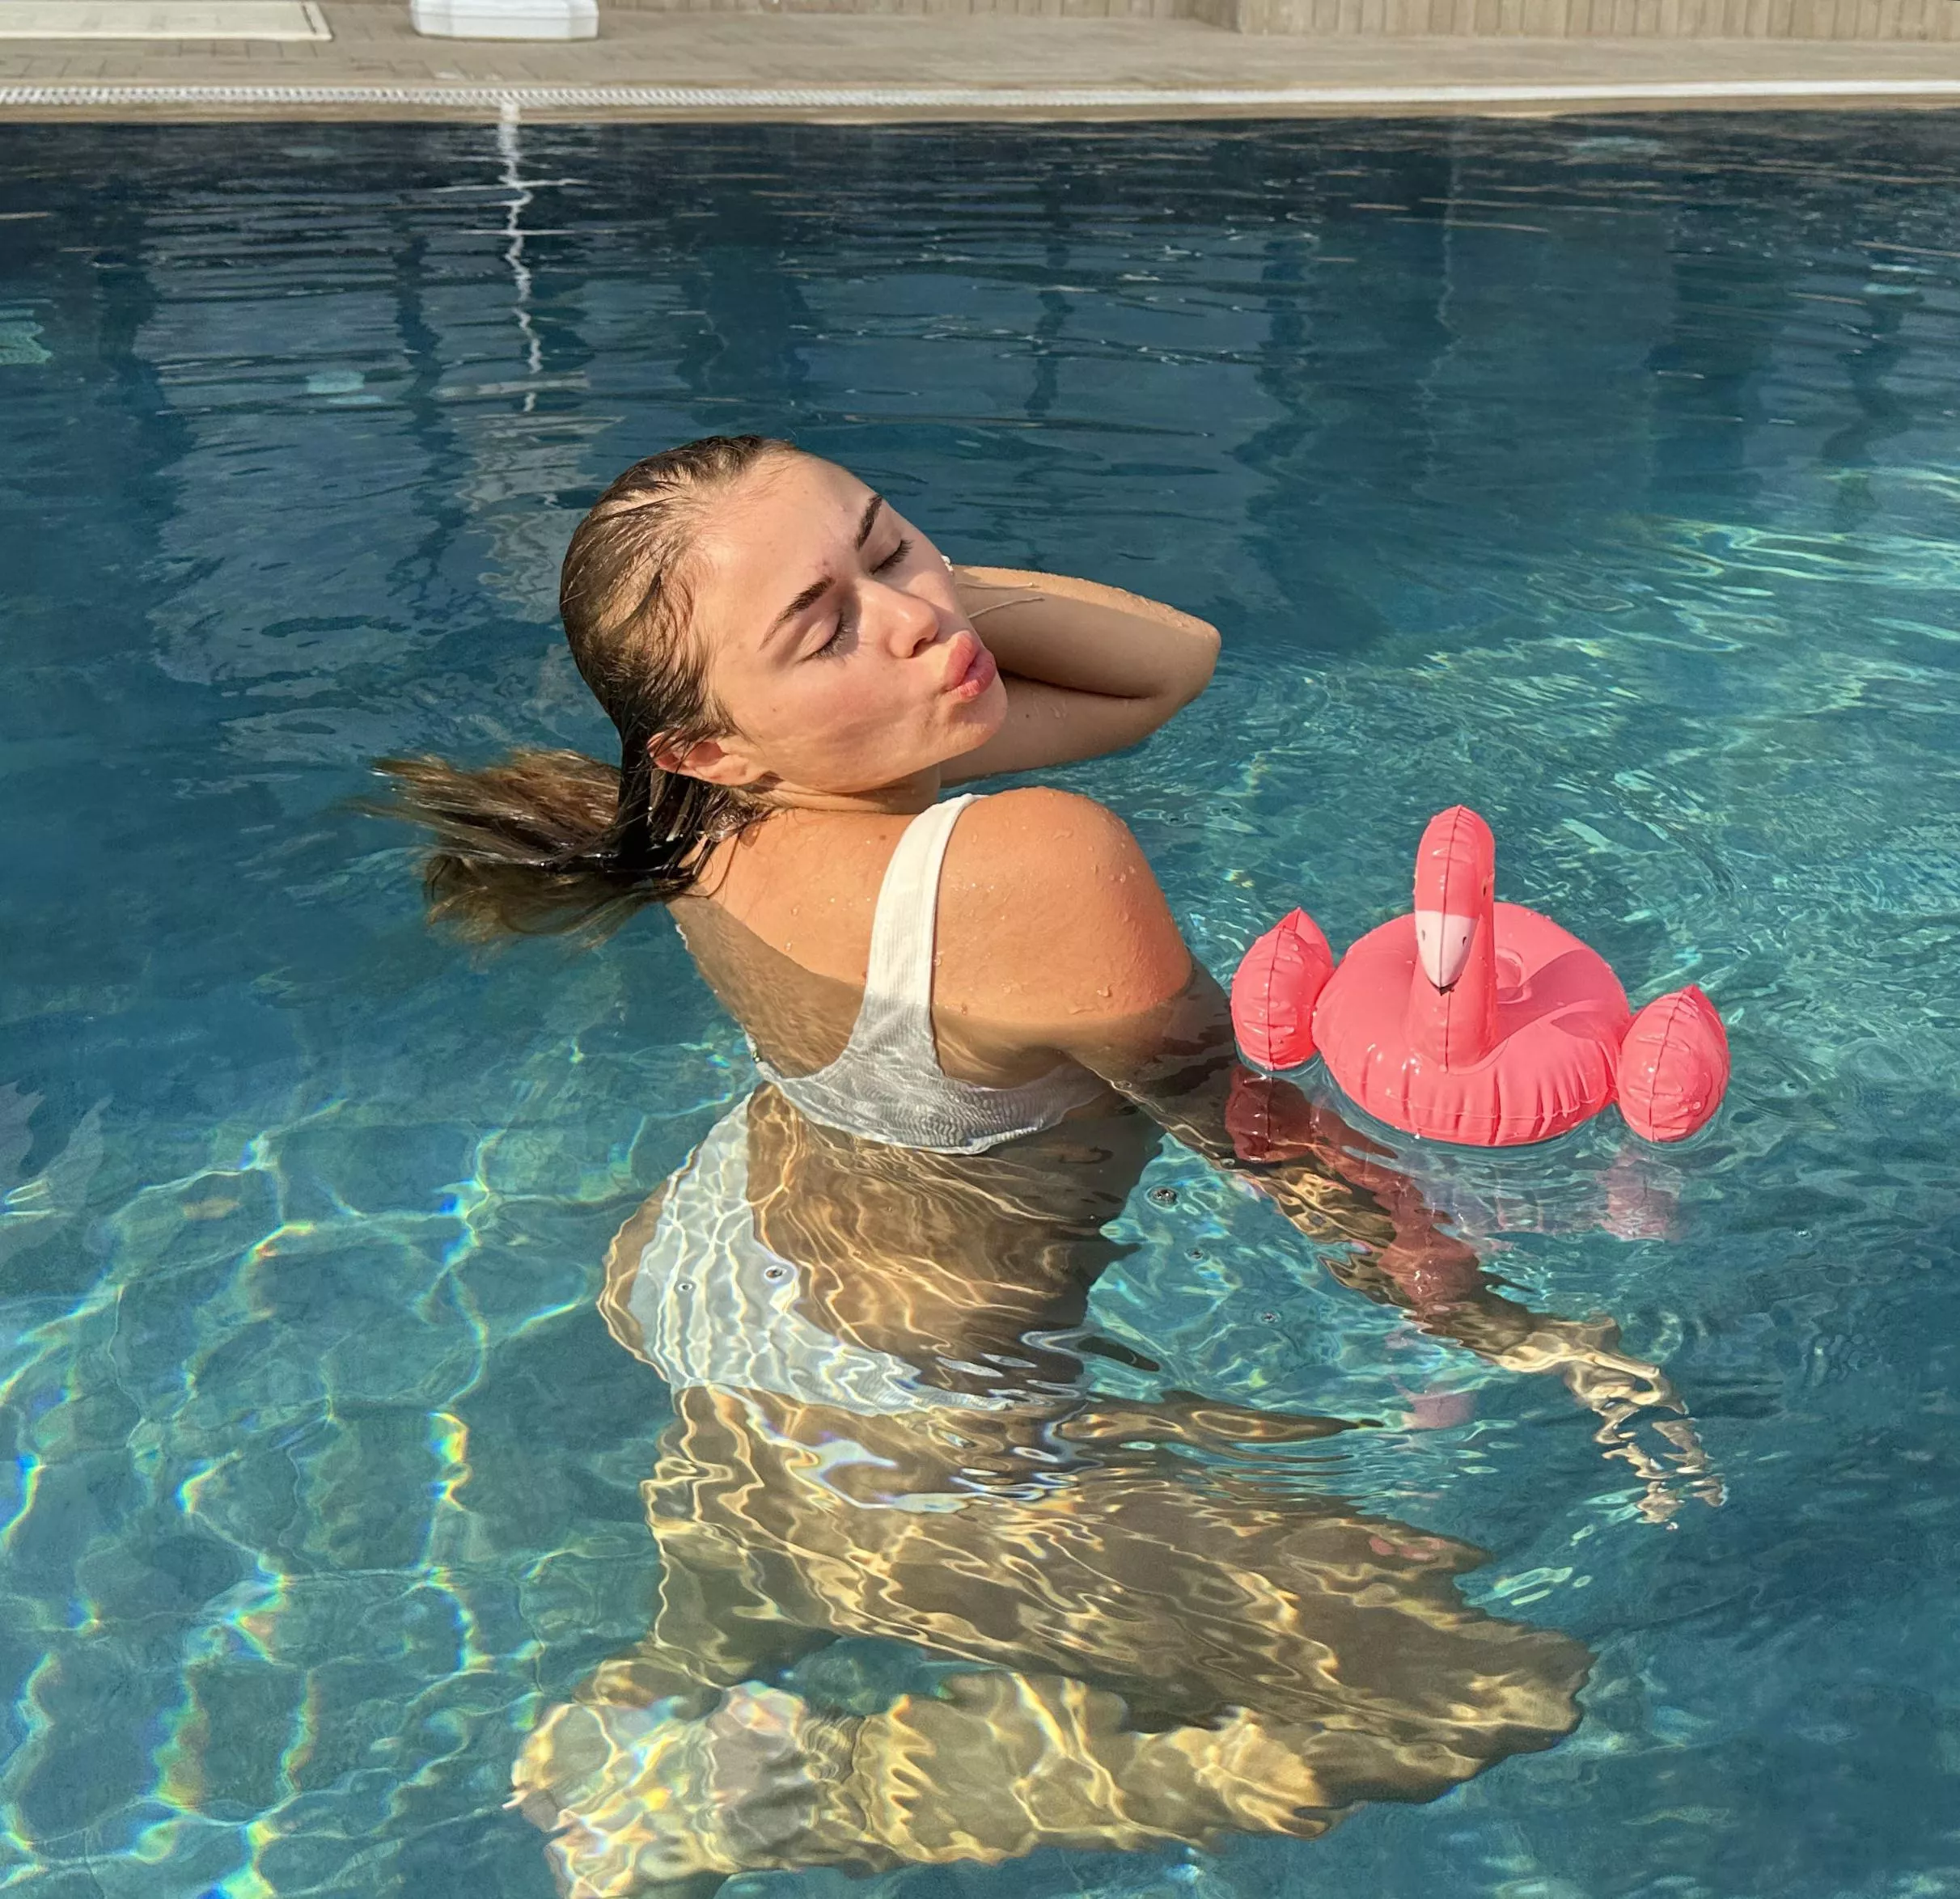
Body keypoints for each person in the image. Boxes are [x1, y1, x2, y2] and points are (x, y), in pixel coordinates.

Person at [370, 434, 1716, 1893]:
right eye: (823, 626)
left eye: (892, 543)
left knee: (785, 1533)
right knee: (1481, 1684)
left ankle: (659, 1685)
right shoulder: (1034, 867)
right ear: (711, 742)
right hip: (903, 1432)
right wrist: (1522, 1333)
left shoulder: (700, 811)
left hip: (711, 1275)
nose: (915, 614)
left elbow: (1161, 670)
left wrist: (872, 619)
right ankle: (784, 1810)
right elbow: (1264, 1138)